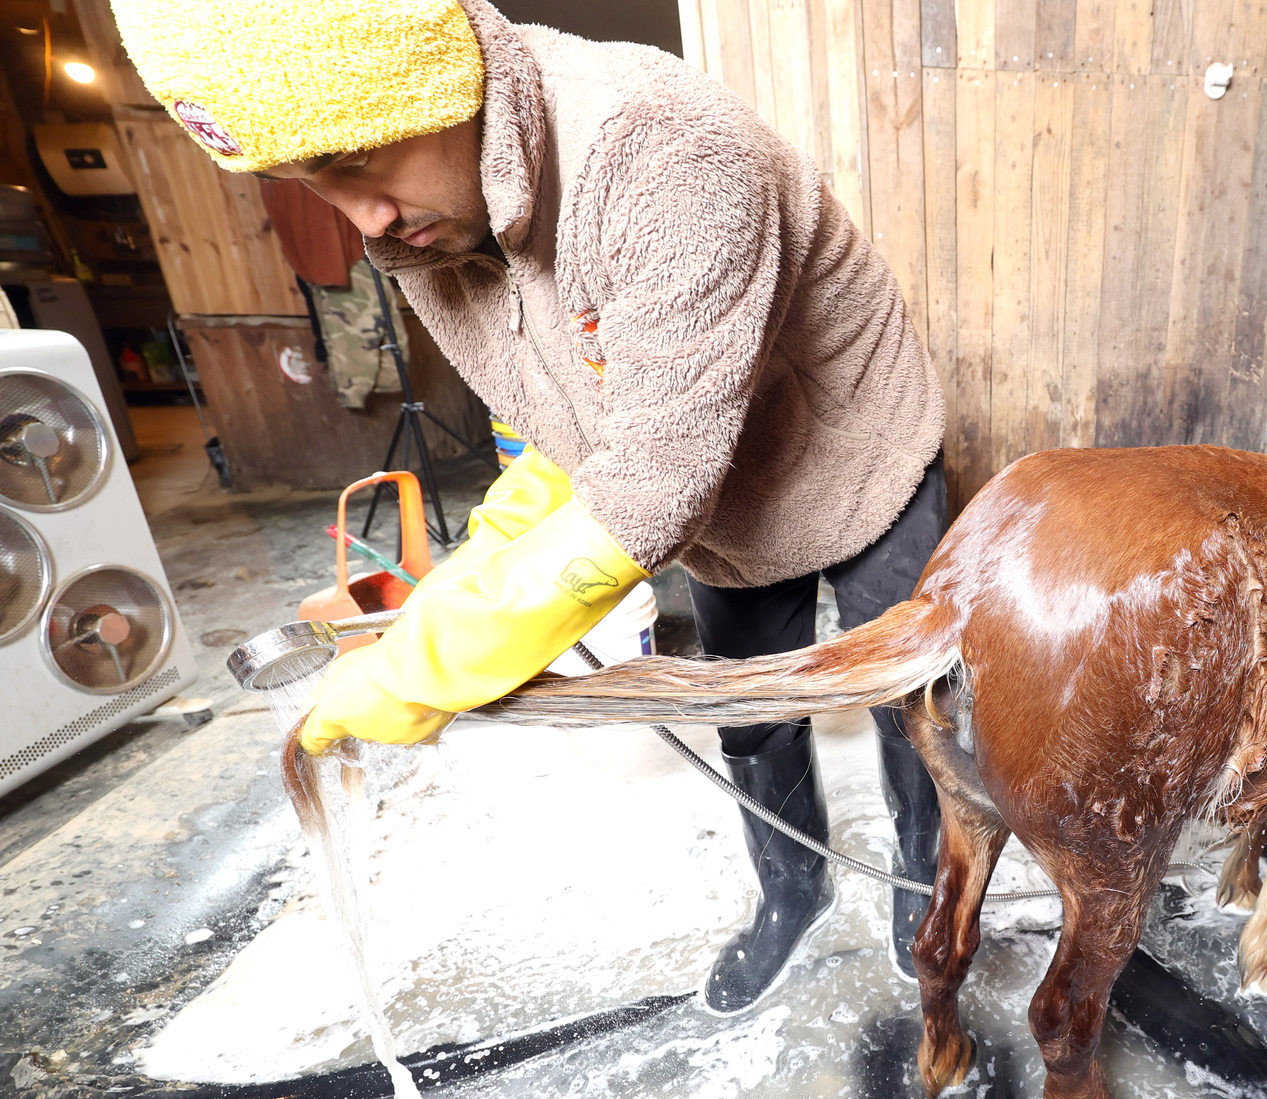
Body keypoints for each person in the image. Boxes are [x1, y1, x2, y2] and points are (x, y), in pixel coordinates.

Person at [112, 0, 947, 1012]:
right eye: (315, 181)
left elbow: (648, 485)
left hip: (854, 449)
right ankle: (792, 892)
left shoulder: (662, 151)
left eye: (363, 153)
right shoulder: (426, 230)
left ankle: (927, 896)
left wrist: (424, 670)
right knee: (749, 710)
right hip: (721, 492)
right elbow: (570, 433)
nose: (365, 215)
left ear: (434, 78)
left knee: (918, 704)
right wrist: (448, 597)